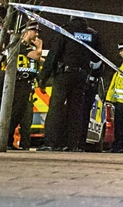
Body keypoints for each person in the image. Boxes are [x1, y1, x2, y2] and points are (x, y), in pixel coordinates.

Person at [37, 16, 102, 152]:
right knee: (76, 111)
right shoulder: (93, 35)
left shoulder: (65, 30)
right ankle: (73, 144)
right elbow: (98, 58)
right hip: (82, 76)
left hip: (64, 75)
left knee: (56, 108)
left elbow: (54, 54)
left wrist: (44, 77)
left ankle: (51, 143)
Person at [7, 22, 44, 149]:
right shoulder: (19, 45)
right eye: (35, 31)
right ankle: (7, 141)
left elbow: (40, 60)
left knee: (24, 117)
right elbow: (36, 56)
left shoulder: (29, 47)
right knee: (15, 113)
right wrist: (40, 47)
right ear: (27, 32)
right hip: (19, 84)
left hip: (28, 85)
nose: (37, 35)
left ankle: (24, 144)